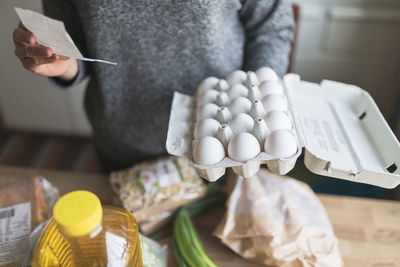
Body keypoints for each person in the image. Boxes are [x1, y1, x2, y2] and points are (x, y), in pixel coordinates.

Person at [13, 0, 295, 173]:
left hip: (227, 141)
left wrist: (257, 101)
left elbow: (271, 28)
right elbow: (77, 46)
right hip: (125, 137)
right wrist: (62, 64)